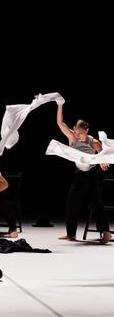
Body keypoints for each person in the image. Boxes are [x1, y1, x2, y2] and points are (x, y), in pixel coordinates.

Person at [56, 102, 110, 244]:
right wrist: (60, 104)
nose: (78, 135)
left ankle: (105, 232)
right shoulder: (72, 137)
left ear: (87, 130)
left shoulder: (94, 142)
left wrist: (103, 162)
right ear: (73, 130)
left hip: (93, 175)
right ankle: (71, 234)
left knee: (95, 202)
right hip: (80, 174)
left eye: (81, 132)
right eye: (76, 132)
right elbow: (60, 122)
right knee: (71, 203)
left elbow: (104, 156)